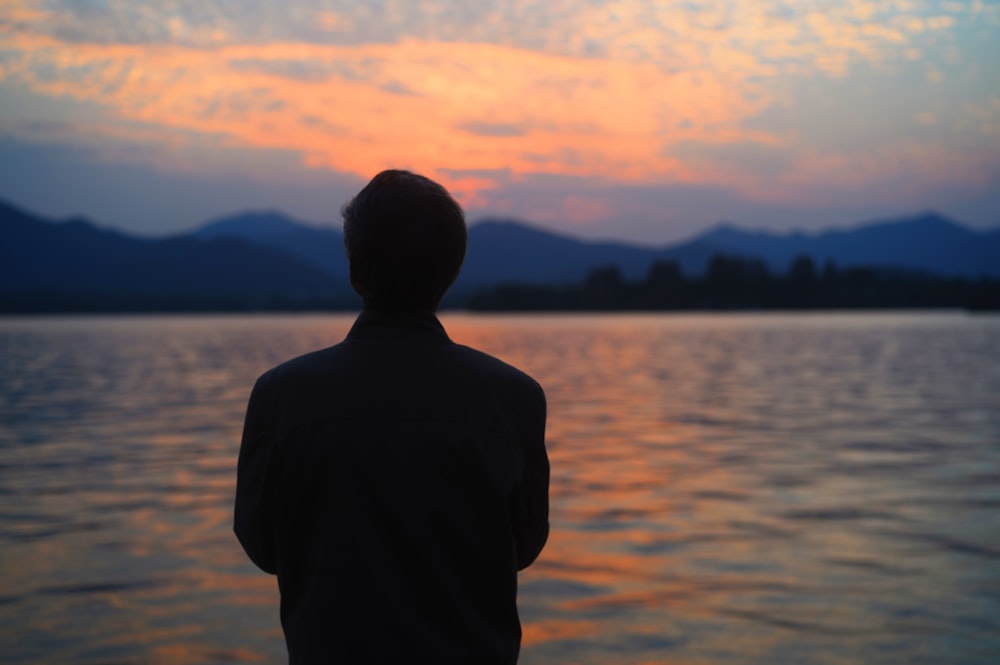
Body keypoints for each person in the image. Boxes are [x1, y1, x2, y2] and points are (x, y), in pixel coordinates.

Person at [234, 169, 550, 664]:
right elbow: (525, 547)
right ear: (451, 271)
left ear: (356, 271)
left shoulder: (280, 396)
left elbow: (262, 548)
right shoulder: (514, 398)